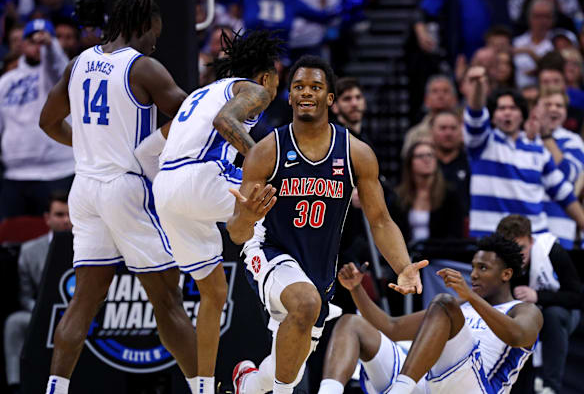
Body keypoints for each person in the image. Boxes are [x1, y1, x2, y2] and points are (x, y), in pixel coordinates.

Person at [228, 55, 426, 394]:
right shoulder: (267, 151)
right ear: (289, 97)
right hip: (269, 250)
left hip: (318, 271)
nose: (306, 93)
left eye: (315, 87)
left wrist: (403, 266)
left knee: (283, 366)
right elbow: (236, 233)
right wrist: (246, 216)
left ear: (329, 98)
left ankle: (248, 384)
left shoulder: (356, 153)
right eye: (299, 87)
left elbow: (379, 220)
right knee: (305, 304)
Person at [38, 0, 200, 394]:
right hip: (125, 189)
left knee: (83, 302)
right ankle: (205, 388)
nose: (155, 44)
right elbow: (191, 117)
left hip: (85, 190)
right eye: (154, 36)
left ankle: (55, 389)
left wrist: (87, 146)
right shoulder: (142, 68)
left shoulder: (78, 64)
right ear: (142, 25)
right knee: (167, 300)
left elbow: (47, 122)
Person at [148, 29, 284, 393]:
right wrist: (264, 165)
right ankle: (293, 306)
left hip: (166, 188)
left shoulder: (199, 94)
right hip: (202, 176)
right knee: (285, 199)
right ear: (266, 77)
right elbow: (225, 123)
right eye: (277, 80)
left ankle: (203, 388)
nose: (275, 91)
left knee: (213, 294)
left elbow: (149, 147)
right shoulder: (251, 90)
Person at [316, 234, 542, 394]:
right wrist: (357, 289)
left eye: (482, 268)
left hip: (477, 387)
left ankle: (400, 390)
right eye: (472, 267)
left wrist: (471, 298)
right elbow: (391, 328)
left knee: (445, 303)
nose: (473, 275)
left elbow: (519, 336)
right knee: (351, 323)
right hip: (430, 383)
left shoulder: (523, 309)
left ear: (506, 274)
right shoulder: (459, 307)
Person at [461, 66, 584, 248]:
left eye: (513, 108)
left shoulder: (538, 150)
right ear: (493, 117)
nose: (507, 112)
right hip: (490, 238)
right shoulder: (482, 144)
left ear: (522, 115)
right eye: (501, 108)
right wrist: (478, 86)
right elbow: (475, 116)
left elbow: (564, 194)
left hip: (533, 241)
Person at [496, 215, 582, 394]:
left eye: (522, 248)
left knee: (553, 314)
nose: (518, 256)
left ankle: (550, 387)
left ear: (531, 240)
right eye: (511, 250)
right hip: (523, 320)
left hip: (562, 315)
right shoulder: (498, 260)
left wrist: (538, 296)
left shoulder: (552, 251)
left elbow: (576, 297)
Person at [0, 18, 74, 221]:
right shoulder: (6, 81)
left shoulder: (58, 75)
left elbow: (56, 67)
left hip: (57, 172)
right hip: (15, 175)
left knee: (58, 239)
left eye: (43, 41)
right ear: (22, 44)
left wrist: (50, 46)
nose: (38, 46)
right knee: (10, 240)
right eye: (33, 41)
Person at [4, 191, 71, 394]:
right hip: (39, 314)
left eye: (70, 215)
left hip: (84, 315)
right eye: (60, 215)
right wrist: (42, 311)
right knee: (14, 322)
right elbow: (25, 295)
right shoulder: (29, 250)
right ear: (47, 218)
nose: (66, 221)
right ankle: (15, 385)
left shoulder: (91, 246)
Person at [532, 87, 584, 249]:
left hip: (560, 226)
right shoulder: (524, 137)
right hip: (527, 224)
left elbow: (567, 175)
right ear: (536, 108)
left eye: (559, 105)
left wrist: (546, 137)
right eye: (547, 105)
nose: (553, 109)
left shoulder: (573, 141)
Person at [388, 141, 466, 243]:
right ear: (410, 162)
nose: (427, 159)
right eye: (420, 156)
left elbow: (455, 235)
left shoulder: (449, 194)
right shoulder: (398, 197)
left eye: (430, 155)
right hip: (407, 255)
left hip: (441, 254)